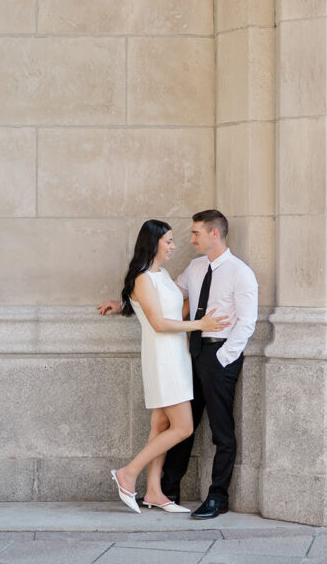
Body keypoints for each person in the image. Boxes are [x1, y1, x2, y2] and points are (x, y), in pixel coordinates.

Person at [99, 209, 258, 519]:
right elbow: (157, 305)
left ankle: (216, 497)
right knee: (179, 426)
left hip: (218, 355)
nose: (188, 240)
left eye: (195, 233)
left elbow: (247, 322)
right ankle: (155, 486)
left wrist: (224, 359)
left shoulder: (240, 273)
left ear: (214, 234)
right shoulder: (194, 268)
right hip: (186, 351)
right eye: (172, 240)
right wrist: (125, 305)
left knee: (217, 431)